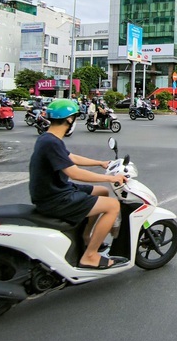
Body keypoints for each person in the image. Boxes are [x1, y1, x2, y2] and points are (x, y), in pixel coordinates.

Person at [28, 99, 128, 269]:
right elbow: (74, 173)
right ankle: (90, 256)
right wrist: (111, 178)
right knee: (112, 206)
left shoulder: (48, 138)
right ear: (69, 119)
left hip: (56, 189)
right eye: (74, 117)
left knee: (102, 192)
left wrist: (100, 163)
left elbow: (70, 157)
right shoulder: (51, 142)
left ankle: (86, 237)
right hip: (55, 197)